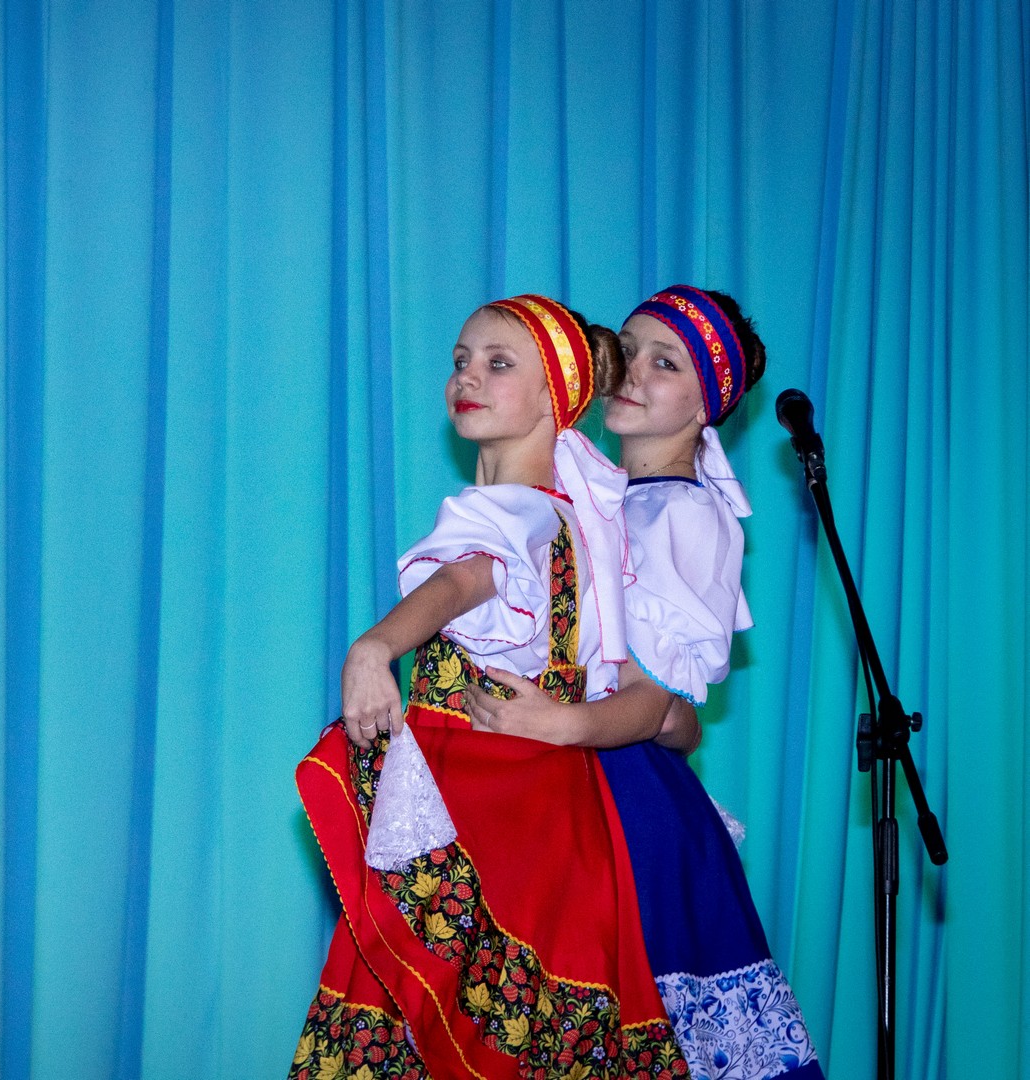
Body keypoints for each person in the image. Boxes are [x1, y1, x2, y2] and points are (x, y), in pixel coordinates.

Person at [291, 296, 688, 1080]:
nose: (466, 377)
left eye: (497, 363)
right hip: (557, 828)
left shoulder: (513, 514)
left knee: (414, 1027)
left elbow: (466, 576)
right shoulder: (575, 525)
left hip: (482, 825)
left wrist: (377, 646)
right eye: (460, 361)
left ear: (554, 397)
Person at [467, 286, 822, 1076]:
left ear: (707, 405)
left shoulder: (682, 516)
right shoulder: (604, 496)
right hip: (569, 781)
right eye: (627, 350)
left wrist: (557, 723)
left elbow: (657, 703)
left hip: (624, 804)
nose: (632, 371)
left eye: (666, 363)